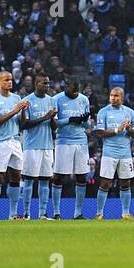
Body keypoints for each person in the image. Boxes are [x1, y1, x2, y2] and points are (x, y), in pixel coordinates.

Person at [0, 70, 29, 220]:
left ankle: (13, 214)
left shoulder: (17, 98)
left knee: (16, 177)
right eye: (6, 80)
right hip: (0, 143)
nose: (9, 82)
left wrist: (22, 112)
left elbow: (22, 123)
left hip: (16, 140)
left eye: (10, 80)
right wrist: (15, 110)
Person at [94, 86, 134, 220]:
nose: (113, 98)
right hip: (109, 153)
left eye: (116, 96)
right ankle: (99, 213)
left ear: (122, 98)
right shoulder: (103, 112)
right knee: (105, 183)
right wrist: (117, 130)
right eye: (111, 95)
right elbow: (100, 133)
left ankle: (125, 213)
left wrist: (129, 129)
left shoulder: (129, 112)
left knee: (125, 183)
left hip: (125, 153)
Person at [19, 74, 59, 220]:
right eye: (44, 83)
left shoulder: (52, 100)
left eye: (48, 83)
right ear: (36, 84)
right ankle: (27, 213)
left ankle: (42, 214)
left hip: (48, 146)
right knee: (29, 180)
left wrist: (53, 119)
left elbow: (54, 126)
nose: (47, 86)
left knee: (44, 180)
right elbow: (24, 125)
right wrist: (45, 117)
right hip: (31, 146)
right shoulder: (27, 101)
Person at [53, 76, 91, 219]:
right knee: (59, 176)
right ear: (66, 87)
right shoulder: (57, 99)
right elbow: (54, 123)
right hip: (63, 141)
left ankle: (78, 213)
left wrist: (85, 120)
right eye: (72, 91)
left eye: (77, 92)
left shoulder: (84, 99)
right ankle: (57, 212)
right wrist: (69, 120)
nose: (75, 94)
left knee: (82, 177)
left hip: (81, 141)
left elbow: (88, 125)